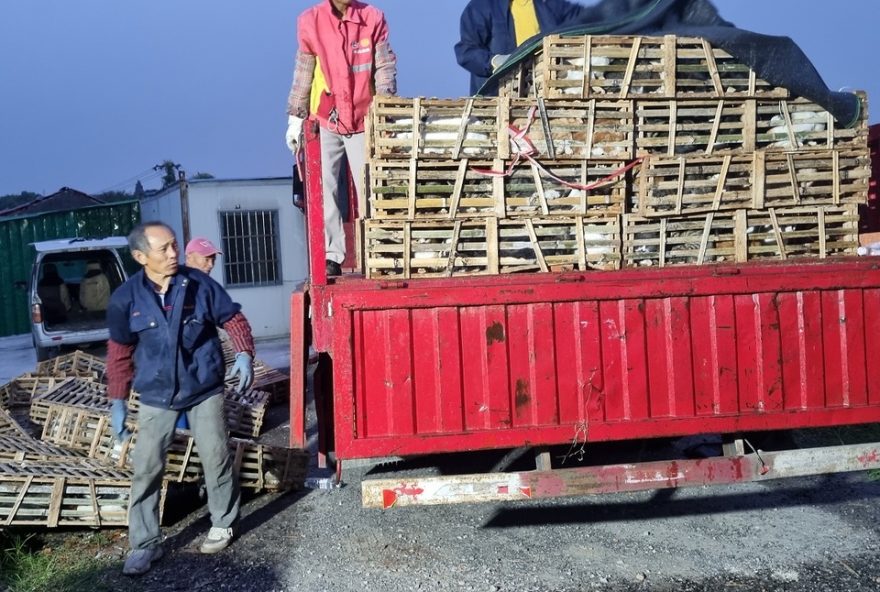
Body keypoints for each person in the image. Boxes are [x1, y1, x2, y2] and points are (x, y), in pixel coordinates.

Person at [106, 221, 255, 576]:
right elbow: (119, 355)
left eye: (175, 245)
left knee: (215, 456)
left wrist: (245, 351)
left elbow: (233, 319)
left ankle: (223, 522)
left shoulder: (199, 284)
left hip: (203, 387)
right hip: (157, 395)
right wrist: (118, 404)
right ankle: (145, 544)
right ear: (141, 256)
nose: (174, 253)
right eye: (164, 249)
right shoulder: (125, 299)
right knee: (146, 468)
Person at [285, 0, 397, 277]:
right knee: (326, 190)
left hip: (363, 118)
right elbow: (303, 72)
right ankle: (332, 255)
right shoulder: (311, 21)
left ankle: (377, 250)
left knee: (370, 187)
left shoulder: (372, 17)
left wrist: (386, 108)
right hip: (326, 118)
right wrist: (295, 117)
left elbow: (384, 67)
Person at [455, 0, 591, 95]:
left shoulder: (550, 5)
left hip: (545, 90)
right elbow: (466, 51)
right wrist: (493, 61)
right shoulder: (482, 6)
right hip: (499, 97)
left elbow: (591, 17)